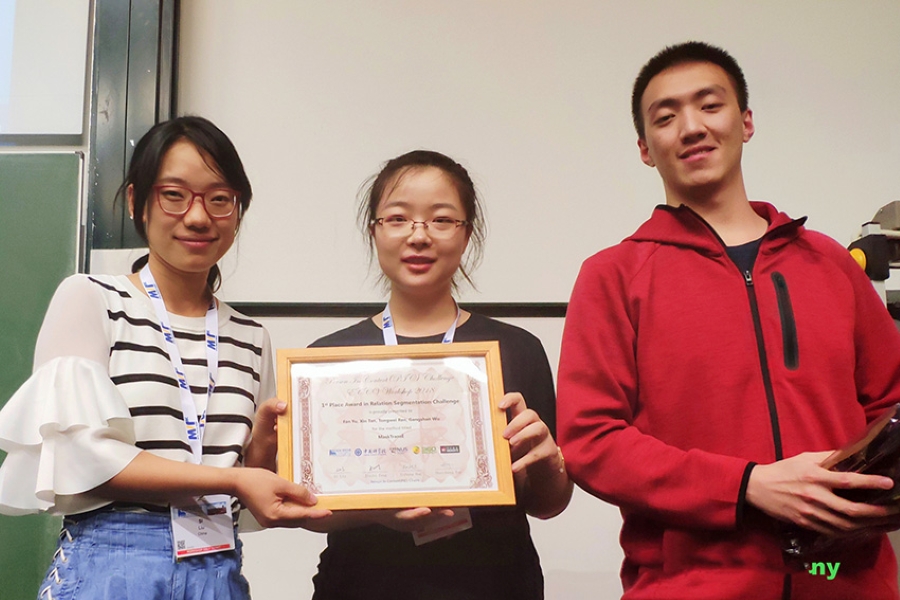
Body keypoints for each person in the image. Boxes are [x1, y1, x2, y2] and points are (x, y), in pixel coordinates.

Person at [557, 41, 900, 600]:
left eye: (710, 105)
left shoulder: (830, 263)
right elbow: (591, 440)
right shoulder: (613, 276)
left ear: (746, 122)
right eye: (666, 117)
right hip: (691, 587)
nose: (692, 127)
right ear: (645, 149)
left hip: (843, 582)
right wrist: (746, 486)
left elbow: (891, 404)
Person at [0, 116, 329, 600]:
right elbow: (82, 457)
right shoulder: (91, 299)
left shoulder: (251, 337)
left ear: (238, 211)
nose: (198, 217)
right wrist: (235, 479)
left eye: (219, 199)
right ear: (137, 201)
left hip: (217, 568)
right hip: (111, 566)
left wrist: (262, 449)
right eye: (174, 195)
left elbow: (253, 489)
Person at [300, 149, 572, 600]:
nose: (419, 236)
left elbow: (549, 503)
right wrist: (378, 512)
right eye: (398, 218)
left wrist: (547, 462)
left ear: (467, 235)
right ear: (374, 231)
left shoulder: (517, 349)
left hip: (495, 586)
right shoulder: (328, 360)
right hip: (360, 586)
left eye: (442, 220)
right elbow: (311, 510)